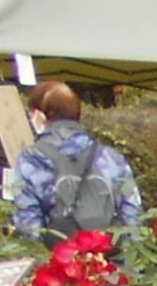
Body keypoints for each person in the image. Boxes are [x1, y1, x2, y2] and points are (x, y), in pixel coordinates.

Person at [10, 82, 140, 241]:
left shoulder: (31, 159)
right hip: (109, 259)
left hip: (60, 261)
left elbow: (28, 226)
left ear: (39, 116)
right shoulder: (112, 158)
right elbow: (132, 217)